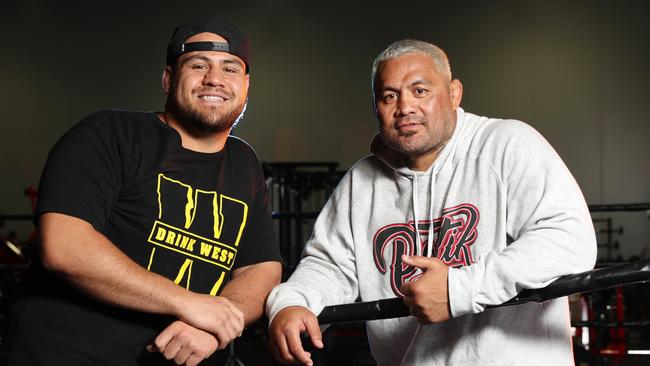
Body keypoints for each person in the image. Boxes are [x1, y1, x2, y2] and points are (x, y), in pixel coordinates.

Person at [266, 39, 597, 366]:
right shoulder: (361, 182)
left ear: (454, 94)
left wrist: (460, 289)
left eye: (420, 91)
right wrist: (292, 302)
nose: (405, 107)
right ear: (375, 107)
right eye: (389, 96)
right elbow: (330, 266)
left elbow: (570, 239)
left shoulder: (506, 145)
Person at [1, 19, 282, 366]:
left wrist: (220, 321)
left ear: (245, 85)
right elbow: (64, 247)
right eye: (198, 65)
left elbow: (261, 266)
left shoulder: (245, 163)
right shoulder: (110, 133)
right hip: (67, 352)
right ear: (167, 79)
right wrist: (188, 303)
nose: (214, 78)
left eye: (230, 68)